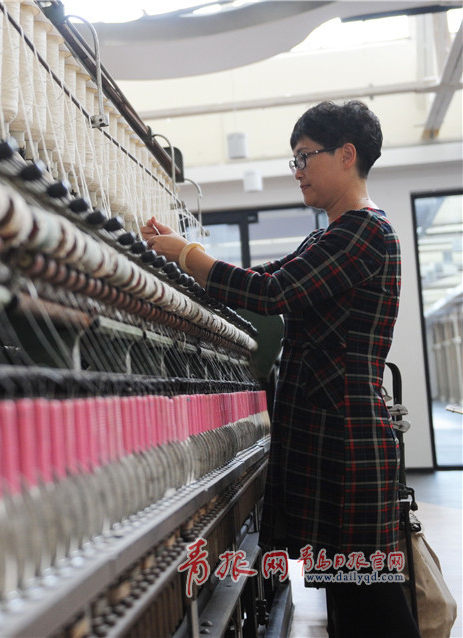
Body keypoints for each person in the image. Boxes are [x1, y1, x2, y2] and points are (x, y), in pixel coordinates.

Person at [140, 100, 419, 638]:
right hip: (330, 435)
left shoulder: (365, 233)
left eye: (304, 158)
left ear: (346, 155)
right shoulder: (329, 237)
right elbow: (268, 275)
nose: (297, 172)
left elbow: (273, 291)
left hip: (345, 439)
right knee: (350, 598)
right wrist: (187, 259)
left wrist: (185, 254)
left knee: (371, 602)